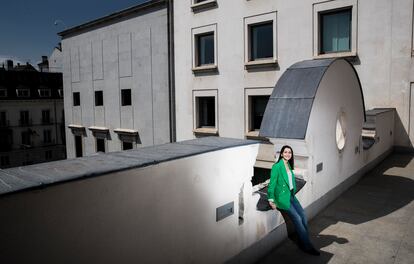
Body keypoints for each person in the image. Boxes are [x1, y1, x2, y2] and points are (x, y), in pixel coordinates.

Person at [268, 145, 320, 256]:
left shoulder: (288, 165)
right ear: (281, 154)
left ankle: (303, 241)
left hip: (291, 196)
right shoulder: (277, 166)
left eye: (289, 152)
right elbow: (271, 184)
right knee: (297, 218)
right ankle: (307, 246)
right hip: (282, 198)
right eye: (285, 152)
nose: (288, 154)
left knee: (303, 217)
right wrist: (271, 200)